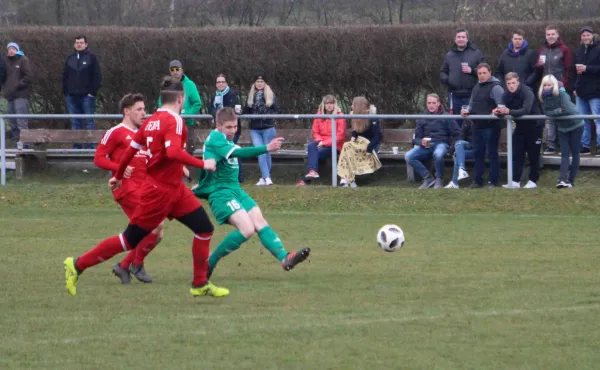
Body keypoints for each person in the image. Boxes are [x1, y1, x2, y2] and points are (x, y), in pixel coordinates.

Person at [63, 76, 228, 298]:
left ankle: (199, 284)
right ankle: (77, 264)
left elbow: (132, 149)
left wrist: (118, 175)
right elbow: (172, 152)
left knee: (204, 228)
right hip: (159, 192)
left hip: (175, 190)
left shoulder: (151, 121)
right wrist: (202, 163)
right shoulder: (175, 121)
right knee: (129, 239)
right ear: (181, 99)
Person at [192, 107, 310, 279]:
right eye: (229, 127)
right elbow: (240, 153)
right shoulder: (216, 138)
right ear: (218, 125)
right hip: (221, 193)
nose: (233, 131)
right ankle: (210, 262)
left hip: (236, 190)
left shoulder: (225, 140)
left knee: (258, 220)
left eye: (235, 127)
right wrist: (266, 148)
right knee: (247, 229)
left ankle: (285, 257)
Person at [93, 93, 165, 284]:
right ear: (127, 111)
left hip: (144, 187)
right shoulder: (116, 132)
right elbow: (99, 158)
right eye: (139, 109)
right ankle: (134, 264)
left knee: (156, 233)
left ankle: (125, 265)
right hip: (126, 188)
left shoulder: (142, 134)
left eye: (144, 109)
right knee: (154, 227)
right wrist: (119, 169)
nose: (144, 113)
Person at [494, 72, 543, 189]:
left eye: (513, 83)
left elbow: (526, 110)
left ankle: (533, 180)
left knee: (533, 155)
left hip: (534, 126)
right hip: (520, 127)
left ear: (518, 82)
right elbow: (501, 108)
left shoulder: (527, 92)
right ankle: (515, 181)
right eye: (509, 83)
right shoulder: (505, 95)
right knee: (516, 153)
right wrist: (497, 112)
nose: (511, 86)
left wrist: (508, 112)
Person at [461, 63, 504, 188]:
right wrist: (466, 110)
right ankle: (478, 180)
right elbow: (471, 104)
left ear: (490, 72)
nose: (482, 75)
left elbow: (502, 105)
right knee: (477, 153)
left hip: (491, 125)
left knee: (492, 153)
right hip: (477, 125)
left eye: (484, 73)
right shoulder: (476, 87)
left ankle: (493, 181)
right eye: (479, 73)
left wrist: (495, 111)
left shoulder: (496, 87)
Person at [405, 93, 460, 189]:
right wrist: (420, 142)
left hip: (442, 144)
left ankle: (439, 179)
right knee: (409, 156)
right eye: (429, 103)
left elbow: (457, 134)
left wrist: (451, 149)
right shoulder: (422, 118)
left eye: (433, 103)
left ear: (438, 103)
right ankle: (428, 178)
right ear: (426, 104)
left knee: (438, 154)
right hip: (426, 146)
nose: (431, 105)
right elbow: (416, 139)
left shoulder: (446, 116)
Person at [538, 75, 585, 188]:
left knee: (575, 154)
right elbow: (547, 112)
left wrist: (555, 112)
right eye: (545, 85)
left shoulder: (562, 94)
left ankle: (571, 181)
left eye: (549, 84)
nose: (547, 87)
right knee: (564, 154)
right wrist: (558, 111)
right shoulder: (543, 98)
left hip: (576, 125)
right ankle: (562, 180)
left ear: (554, 85)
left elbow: (568, 109)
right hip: (562, 128)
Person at [536, 26, 574, 154]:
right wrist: (539, 66)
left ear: (557, 35)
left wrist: (564, 84)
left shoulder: (564, 49)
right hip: (546, 88)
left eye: (553, 34)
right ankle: (551, 145)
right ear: (545, 36)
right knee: (549, 117)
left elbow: (569, 69)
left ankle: (565, 145)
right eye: (548, 34)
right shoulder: (542, 50)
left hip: (560, 88)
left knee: (563, 116)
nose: (550, 36)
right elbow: (538, 70)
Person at [62, 35, 102, 149]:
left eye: (81, 42)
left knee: (89, 121)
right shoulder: (70, 58)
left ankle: (90, 147)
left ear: (86, 44)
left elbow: (97, 76)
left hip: (87, 96)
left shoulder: (92, 58)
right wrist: (66, 92)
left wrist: (92, 92)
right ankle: (77, 147)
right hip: (71, 96)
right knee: (75, 122)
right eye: (77, 42)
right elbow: (65, 76)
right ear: (74, 44)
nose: (79, 44)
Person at [297, 95, 346, 186]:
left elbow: (340, 136)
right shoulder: (319, 115)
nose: (329, 105)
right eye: (327, 103)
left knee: (315, 155)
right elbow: (315, 132)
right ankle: (312, 172)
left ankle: (306, 180)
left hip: (335, 146)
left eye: (331, 103)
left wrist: (325, 143)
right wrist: (320, 141)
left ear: (335, 105)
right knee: (311, 146)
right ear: (323, 105)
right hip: (321, 143)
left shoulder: (340, 116)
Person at [440, 28, 485, 125]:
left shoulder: (476, 53)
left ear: (467, 39)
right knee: (456, 123)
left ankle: (471, 140)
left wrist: (472, 71)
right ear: (455, 40)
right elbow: (443, 72)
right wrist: (448, 80)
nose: (461, 39)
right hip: (454, 94)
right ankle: (458, 140)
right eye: (458, 37)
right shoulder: (449, 55)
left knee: (471, 122)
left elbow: (484, 71)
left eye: (463, 37)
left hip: (471, 94)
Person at [158, 60, 203, 156]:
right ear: (170, 71)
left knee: (187, 153)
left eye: (177, 69)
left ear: (182, 70)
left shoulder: (190, 85)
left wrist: (186, 115)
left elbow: (197, 103)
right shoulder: (167, 85)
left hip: (186, 125)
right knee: (169, 152)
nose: (175, 72)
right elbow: (160, 102)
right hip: (169, 125)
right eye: (172, 69)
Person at [337, 97, 382, 188]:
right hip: (358, 143)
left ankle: (345, 179)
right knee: (347, 147)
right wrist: (353, 137)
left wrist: (369, 148)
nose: (351, 106)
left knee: (347, 147)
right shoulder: (355, 116)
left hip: (369, 144)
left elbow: (378, 136)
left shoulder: (372, 117)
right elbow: (355, 131)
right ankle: (348, 179)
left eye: (353, 104)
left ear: (359, 106)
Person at [244, 73, 279, 186]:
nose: (259, 84)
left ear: (265, 83)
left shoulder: (270, 95)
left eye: (261, 81)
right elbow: (247, 111)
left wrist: (268, 116)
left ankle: (265, 178)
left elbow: (277, 110)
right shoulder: (251, 96)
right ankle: (267, 177)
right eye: (257, 82)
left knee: (266, 151)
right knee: (260, 151)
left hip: (268, 128)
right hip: (255, 129)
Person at [209, 73, 244, 182]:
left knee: (233, 151)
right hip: (220, 128)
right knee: (223, 152)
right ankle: (224, 175)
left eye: (222, 82)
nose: (220, 84)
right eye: (218, 82)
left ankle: (239, 176)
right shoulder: (214, 95)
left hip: (231, 128)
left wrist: (221, 113)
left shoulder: (231, 94)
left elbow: (233, 110)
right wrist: (216, 113)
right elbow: (210, 108)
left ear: (226, 83)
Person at [572, 27, 600, 155]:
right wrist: (574, 87)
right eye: (583, 35)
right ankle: (585, 145)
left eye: (588, 35)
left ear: (592, 36)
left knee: (597, 119)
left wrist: (587, 68)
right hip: (581, 91)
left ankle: (599, 145)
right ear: (581, 38)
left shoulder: (598, 49)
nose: (585, 37)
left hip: (595, 91)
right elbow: (574, 71)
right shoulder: (578, 51)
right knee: (582, 120)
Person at [2, 42, 33, 148]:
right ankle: (17, 144)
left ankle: (25, 145)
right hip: (10, 96)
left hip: (21, 95)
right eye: (9, 49)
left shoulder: (23, 60)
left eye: (13, 49)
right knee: (12, 123)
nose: (11, 50)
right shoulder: (7, 62)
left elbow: (28, 76)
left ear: (17, 49)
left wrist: (17, 85)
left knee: (21, 122)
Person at [444, 121, 474, 189]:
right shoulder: (467, 122)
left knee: (459, 145)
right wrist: (451, 150)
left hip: (479, 150)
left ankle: (455, 182)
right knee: (458, 150)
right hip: (470, 148)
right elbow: (461, 136)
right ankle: (461, 171)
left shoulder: (480, 123)